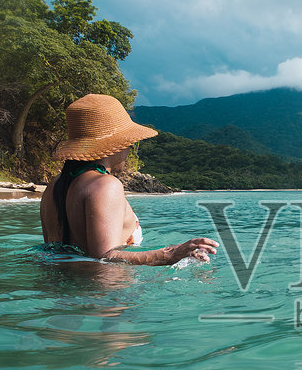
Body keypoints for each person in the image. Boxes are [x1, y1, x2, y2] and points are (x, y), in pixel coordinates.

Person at [40, 93, 219, 264]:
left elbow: (60, 256)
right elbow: (105, 258)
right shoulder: (105, 185)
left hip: (61, 293)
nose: (131, 146)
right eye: (129, 142)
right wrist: (172, 254)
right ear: (117, 144)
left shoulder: (54, 186)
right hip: (104, 294)